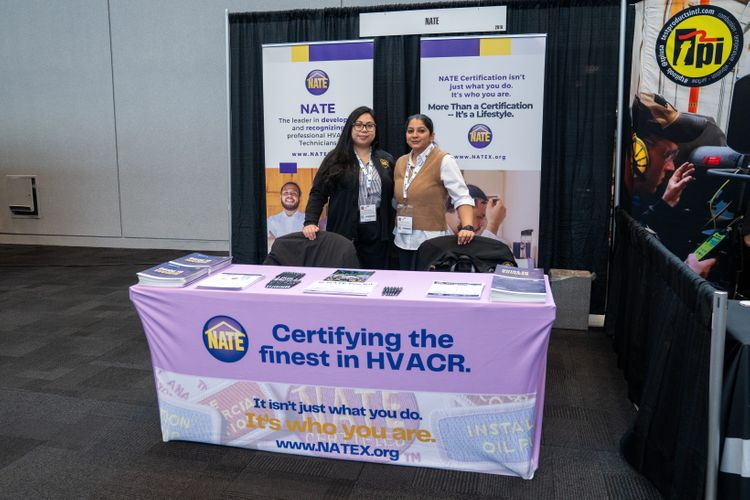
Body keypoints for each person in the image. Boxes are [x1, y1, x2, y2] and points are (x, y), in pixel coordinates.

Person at [627, 92, 717, 278]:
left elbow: (638, 234)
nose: (671, 167)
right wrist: (686, 278)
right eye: (667, 155)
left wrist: (665, 204)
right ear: (638, 154)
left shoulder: (629, 197)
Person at [303, 106, 395, 269]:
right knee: (344, 275)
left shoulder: (386, 159)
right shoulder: (335, 158)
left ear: (375, 129)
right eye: (358, 125)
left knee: (376, 275)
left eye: (369, 125)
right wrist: (310, 221)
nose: (364, 130)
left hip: (377, 231)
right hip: (344, 227)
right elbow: (318, 193)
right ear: (350, 128)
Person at [393, 114, 475, 270]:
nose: (415, 135)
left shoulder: (444, 160)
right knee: (407, 282)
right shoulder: (401, 162)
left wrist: (467, 227)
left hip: (431, 241)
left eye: (421, 131)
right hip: (403, 239)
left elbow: (462, 196)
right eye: (410, 131)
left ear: (432, 136)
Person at [267, 181, 305, 248]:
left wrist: (277, 243)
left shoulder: (308, 221)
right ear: (280, 197)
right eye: (286, 193)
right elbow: (269, 246)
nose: (289, 195)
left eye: (293, 193)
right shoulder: (271, 221)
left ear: (299, 198)